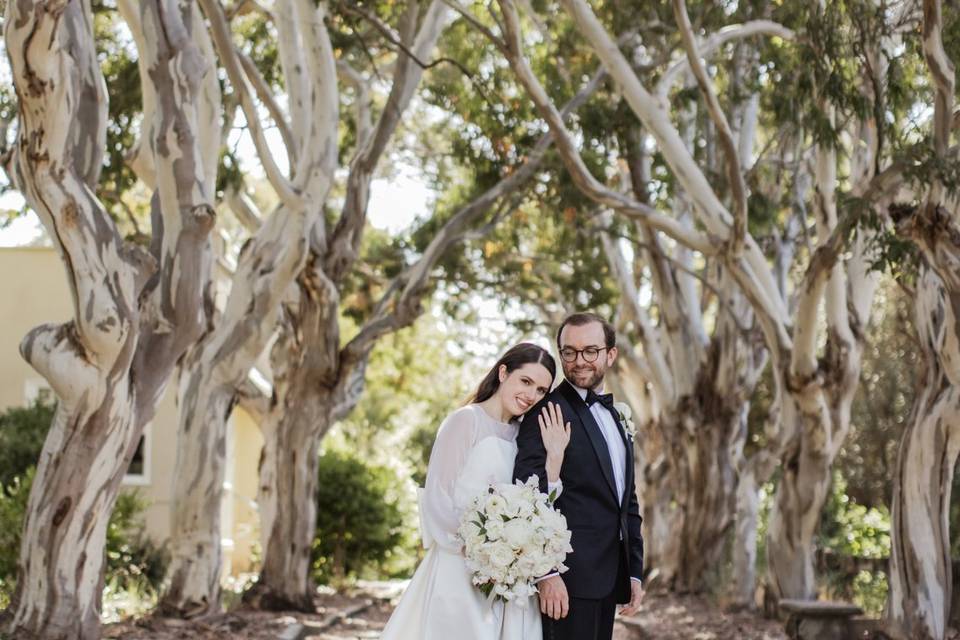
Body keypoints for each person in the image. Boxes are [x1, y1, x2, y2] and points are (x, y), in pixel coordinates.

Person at [381, 342, 571, 640]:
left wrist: (555, 457)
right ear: (503, 372)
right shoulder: (465, 421)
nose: (531, 395)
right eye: (526, 381)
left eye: (541, 390)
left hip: (510, 577)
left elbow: (537, 504)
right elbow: (437, 499)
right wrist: (483, 552)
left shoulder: (524, 434)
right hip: (460, 567)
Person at [514, 312, 645, 640]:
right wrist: (546, 572)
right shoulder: (546, 412)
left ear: (610, 354)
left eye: (590, 351)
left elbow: (625, 499)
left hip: (610, 577)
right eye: (569, 352)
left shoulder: (617, 416)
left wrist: (634, 571)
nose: (579, 361)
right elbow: (527, 495)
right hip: (567, 582)